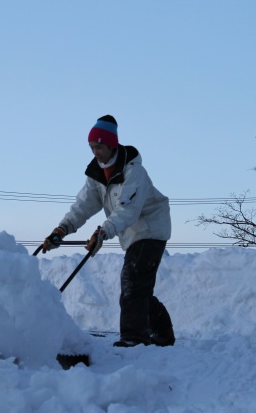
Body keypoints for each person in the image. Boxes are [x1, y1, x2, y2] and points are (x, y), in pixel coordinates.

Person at [42, 115, 175, 348]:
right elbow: (82, 206)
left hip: (151, 228)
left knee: (133, 280)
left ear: (112, 144)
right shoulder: (96, 175)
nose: (95, 152)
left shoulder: (135, 172)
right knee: (137, 285)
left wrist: (103, 232)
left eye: (99, 147)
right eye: (92, 147)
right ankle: (163, 332)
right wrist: (62, 229)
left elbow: (128, 211)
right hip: (130, 232)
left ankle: (134, 339)